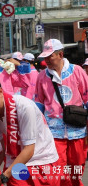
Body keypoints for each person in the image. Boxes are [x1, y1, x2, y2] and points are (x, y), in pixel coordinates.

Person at [0, 72, 59, 186]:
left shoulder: (24, 107)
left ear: (0, 91)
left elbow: (29, 150)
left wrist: (3, 177)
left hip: (41, 161)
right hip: (16, 162)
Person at [35, 39, 88, 186]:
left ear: (60, 54)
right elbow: (39, 104)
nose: (47, 60)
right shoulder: (42, 76)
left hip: (77, 129)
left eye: (49, 56)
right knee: (57, 171)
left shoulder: (77, 71)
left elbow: (87, 98)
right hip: (53, 132)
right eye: (45, 57)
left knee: (76, 168)